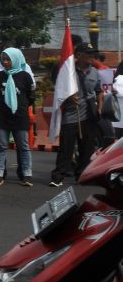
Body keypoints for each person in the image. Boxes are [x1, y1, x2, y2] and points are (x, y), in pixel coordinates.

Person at [50, 42, 102, 187]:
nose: (92, 56)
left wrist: (99, 107)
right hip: (70, 115)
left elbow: (99, 91)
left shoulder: (94, 72)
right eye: (89, 53)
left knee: (87, 149)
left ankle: (82, 175)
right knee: (66, 148)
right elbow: (58, 88)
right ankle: (57, 177)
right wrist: (68, 96)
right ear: (78, 55)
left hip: (89, 115)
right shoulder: (68, 71)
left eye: (93, 53)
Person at [0, 48, 35, 187]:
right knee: (1, 146)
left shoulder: (25, 76)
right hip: (1, 116)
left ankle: (27, 174)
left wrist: (19, 106)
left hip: (20, 116)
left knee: (23, 146)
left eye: (8, 59)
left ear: (16, 60)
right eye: (3, 59)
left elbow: (31, 97)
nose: (5, 62)